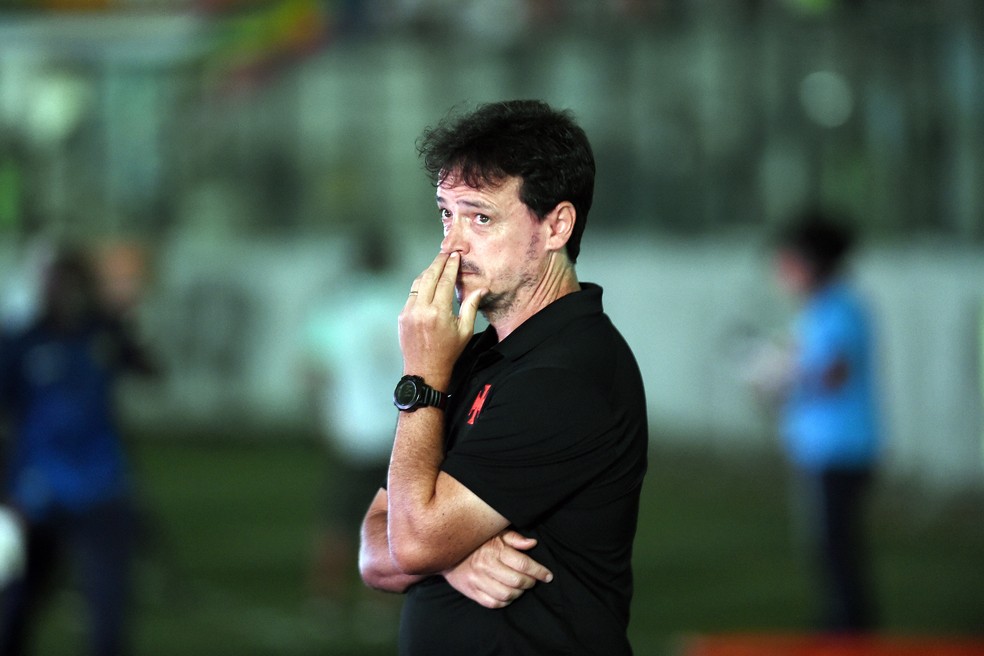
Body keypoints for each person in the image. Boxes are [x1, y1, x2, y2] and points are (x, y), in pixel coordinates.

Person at [358, 99, 649, 655]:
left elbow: (409, 542)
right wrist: (452, 557)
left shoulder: (566, 373)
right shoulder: (474, 355)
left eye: (481, 218)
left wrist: (421, 377)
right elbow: (375, 551)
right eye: (446, 214)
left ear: (557, 226)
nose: (451, 244)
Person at [0, 246, 157, 656]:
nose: (69, 294)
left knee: (108, 619)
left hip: (101, 490)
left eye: (76, 283)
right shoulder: (22, 342)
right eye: (60, 283)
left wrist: (129, 324)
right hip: (36, 493)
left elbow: (150, 370)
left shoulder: (103, 334)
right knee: (14, 612)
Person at [765, 211, 881, 633]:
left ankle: (849, 628)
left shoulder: (839, 308)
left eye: (788, 261)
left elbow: (834, 372)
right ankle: (842, 623)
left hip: (842, 449)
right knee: (827, 545)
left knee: (836, 546)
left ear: (810, 262)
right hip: (820, 449)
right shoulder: (816, 311)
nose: (781, 272)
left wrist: (783, 374)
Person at [300, 227, 403, 638]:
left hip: (351, 431)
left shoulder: (337, 306)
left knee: (337, 521)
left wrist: (323, 416)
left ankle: (325, 598)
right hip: (398, 430)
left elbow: (314, 371)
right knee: (391, 521)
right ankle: (379, 605)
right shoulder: (405, 301)